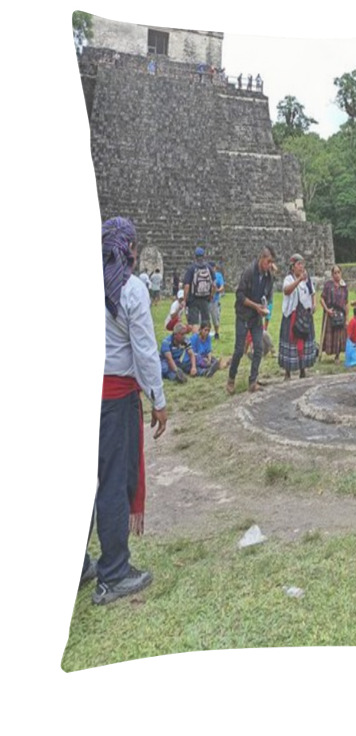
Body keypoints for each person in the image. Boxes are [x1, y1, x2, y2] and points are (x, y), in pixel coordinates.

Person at [85, 216, 167, 606]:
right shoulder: (130, 290)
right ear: (129, 249)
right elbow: (145, 351)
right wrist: (159, 399)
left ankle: (79, 564)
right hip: (115, 396)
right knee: (114, 481)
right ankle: (114, 572)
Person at [227, 246, 276, 394]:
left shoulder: (268, 276)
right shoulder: (249, 272)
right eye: (268, 262)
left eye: (271, 262)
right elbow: (240, 296)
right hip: (244, 314)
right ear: (261, 259)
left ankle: (252, 381)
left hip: (256, 316)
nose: (270, 265)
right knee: (239, 350)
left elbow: (267, 294)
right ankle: (231, 378)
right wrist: (255, 306)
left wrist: (263, 306)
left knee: (259, 348)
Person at [278, 254, 317, 380]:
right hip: (292, 316)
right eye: (299, 264)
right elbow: (286, 291)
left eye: (302, 264)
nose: (301, 267)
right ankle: (288, 372)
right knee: (290, 342)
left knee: (304, 342)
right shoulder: (289, 279)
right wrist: (299, 280)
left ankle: (303, 370)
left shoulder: (307, 279)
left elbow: (313, 292)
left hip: (305, 315)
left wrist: (314, 304)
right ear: (293, 266)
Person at [183, 247, 216, 334]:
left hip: (193, 299)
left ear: (195, 256)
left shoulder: (191, 268)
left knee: (194, 322)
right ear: (203, 256)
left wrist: (184, 299)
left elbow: (187, 286)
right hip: (205, 298)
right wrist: (211, 295)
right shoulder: (209, 268)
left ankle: (196, 342)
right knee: (205, 320)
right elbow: (214, 285)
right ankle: (205, 341)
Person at [320, 265, 348, 363]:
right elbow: (322, 299)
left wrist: (347, 318)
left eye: (338, 272)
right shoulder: (328, 285)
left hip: (340, 313)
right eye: (335, 273)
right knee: (330, 334)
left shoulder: (344, 286)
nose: (337, 275)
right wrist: (327, 309)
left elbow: (346, 302)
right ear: (332, 274)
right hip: (330, 312)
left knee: (339, 335)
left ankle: (337, 356)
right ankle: (324, 353)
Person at [209, 261, 224, 341]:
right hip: (207, 300)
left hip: (215, 300)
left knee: (215, 318)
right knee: (205, 319)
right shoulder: (207, 275)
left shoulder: (218, 276)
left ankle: (216, 333)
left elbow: (222, 286)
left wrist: (217, 290)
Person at [345, 300, 356, 368]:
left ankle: (354, 361)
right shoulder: (353, 321)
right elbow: (349, 332)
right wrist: (349, 340)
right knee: (352, 352)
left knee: (355, 352)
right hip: (352, 340)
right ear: (355, 314)